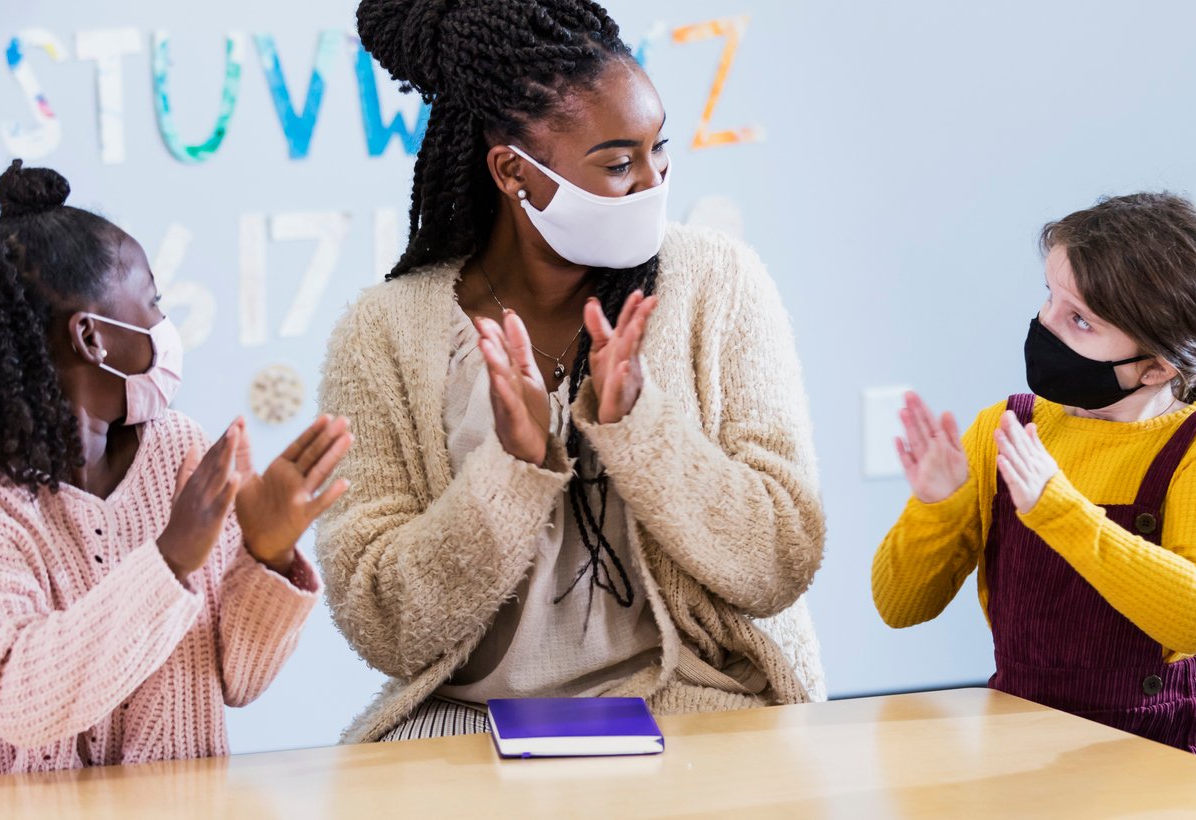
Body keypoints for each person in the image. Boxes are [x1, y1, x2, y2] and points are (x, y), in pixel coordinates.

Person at [316, 0, 827, 742]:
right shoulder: (383, 333)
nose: (652, 181)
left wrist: (641, 430)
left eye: (660, 151)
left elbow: (782, 559)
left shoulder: (718, 282)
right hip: (466, 725)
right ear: (512, 172)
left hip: (692, 703)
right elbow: (381, 623)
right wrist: (511, 470)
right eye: (619, 164)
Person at [0, 161, 352, 777]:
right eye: (153, 303)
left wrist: (265, 554)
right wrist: (171, 559)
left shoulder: (176, 452)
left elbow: (237, 679)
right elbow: (16, 691)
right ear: (92, 338)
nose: (164, 326)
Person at [873, 192, 1196, 761]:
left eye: (1080, 320)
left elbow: (1194, 623)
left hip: (1162, 755)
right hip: (1019, 743)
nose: (1045, 325)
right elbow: (898, 606)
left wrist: (1056, 509)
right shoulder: (1005, 427)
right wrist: (938, 504)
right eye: (1050, 299)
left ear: (1156, 367)